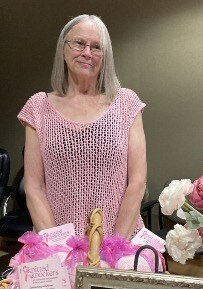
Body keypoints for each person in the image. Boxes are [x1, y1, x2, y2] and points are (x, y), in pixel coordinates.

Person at [18, 14, 147, 239]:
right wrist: (57, 248)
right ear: (63, 49)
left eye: (96, 47)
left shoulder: (126, 103)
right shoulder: (38, 106)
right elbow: (34, 187)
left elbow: (137, 182)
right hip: (56, 247)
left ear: (105, 56)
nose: (87, 53)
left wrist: (113, 248)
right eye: (79, 43)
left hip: (120, 242)